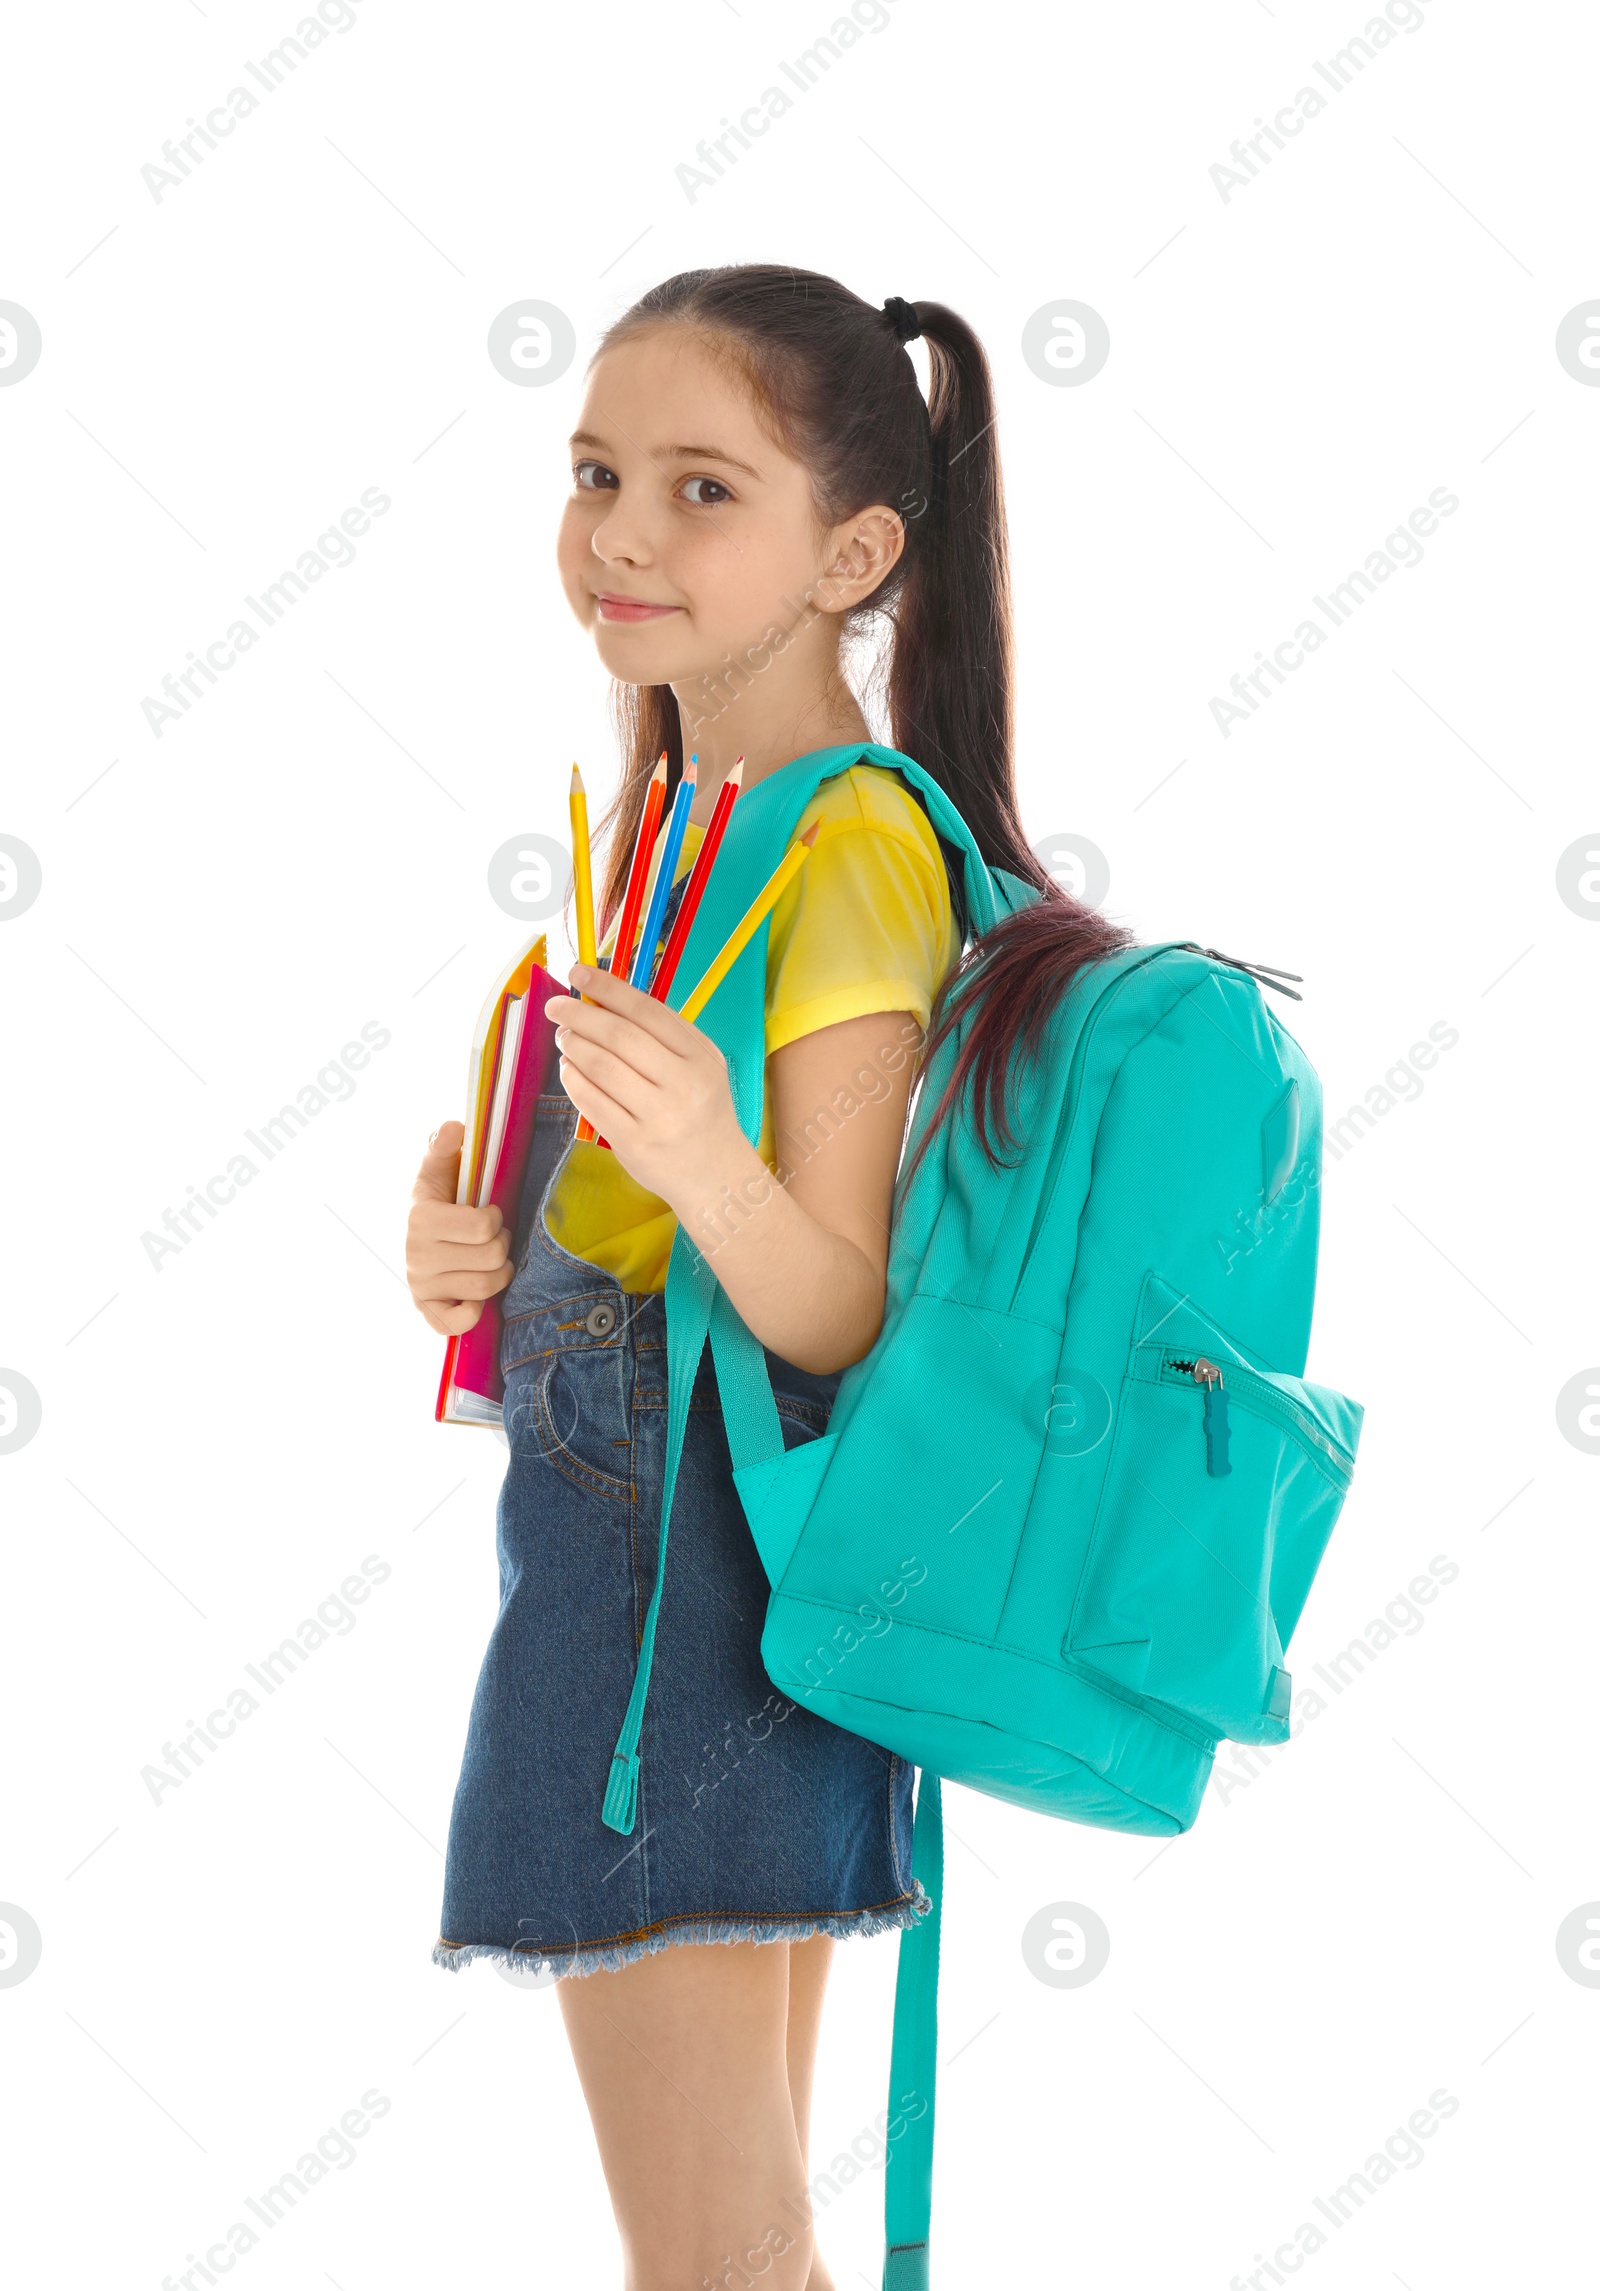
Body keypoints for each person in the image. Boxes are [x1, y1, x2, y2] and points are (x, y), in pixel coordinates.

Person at [403, 265, 1120, 2291]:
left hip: (680, 1628)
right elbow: (625, 1255)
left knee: (711, 2267)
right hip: (647, 1586)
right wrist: (474, 1244)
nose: (619, 532)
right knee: (748, 2263)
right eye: (594, 472)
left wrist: (705, 1160)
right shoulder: (665, 823)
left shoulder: (846, 844)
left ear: (855, 554)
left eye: (702, 489)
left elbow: (828, 1308)